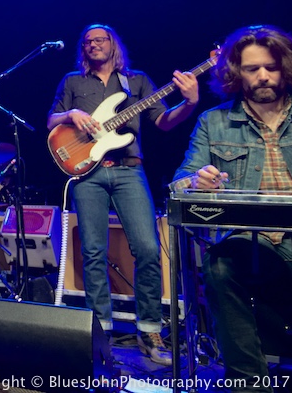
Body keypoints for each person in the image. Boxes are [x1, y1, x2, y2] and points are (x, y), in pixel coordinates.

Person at [47, 23, 199, 366]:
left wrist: (188, 104)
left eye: (100, 40)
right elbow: (51, 120)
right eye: (87, 41)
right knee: (93, 252)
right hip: (88, 172)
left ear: (114, 45)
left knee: (147, 248)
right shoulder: (73, 81)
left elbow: (163, 121)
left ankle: (149, 330)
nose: (93, 45)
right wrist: (70, 113)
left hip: (129, 169)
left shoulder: (137, 81)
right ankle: (100, 334)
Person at [171, 25, 292, 393]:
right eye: (252, 69)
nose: (263, 76)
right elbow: (180, 183)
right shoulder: (214, 121)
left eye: (271, 66)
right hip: (247, 241)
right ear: (236, 73)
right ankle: (248, 383)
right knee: (220, 265)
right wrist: (196, 182)